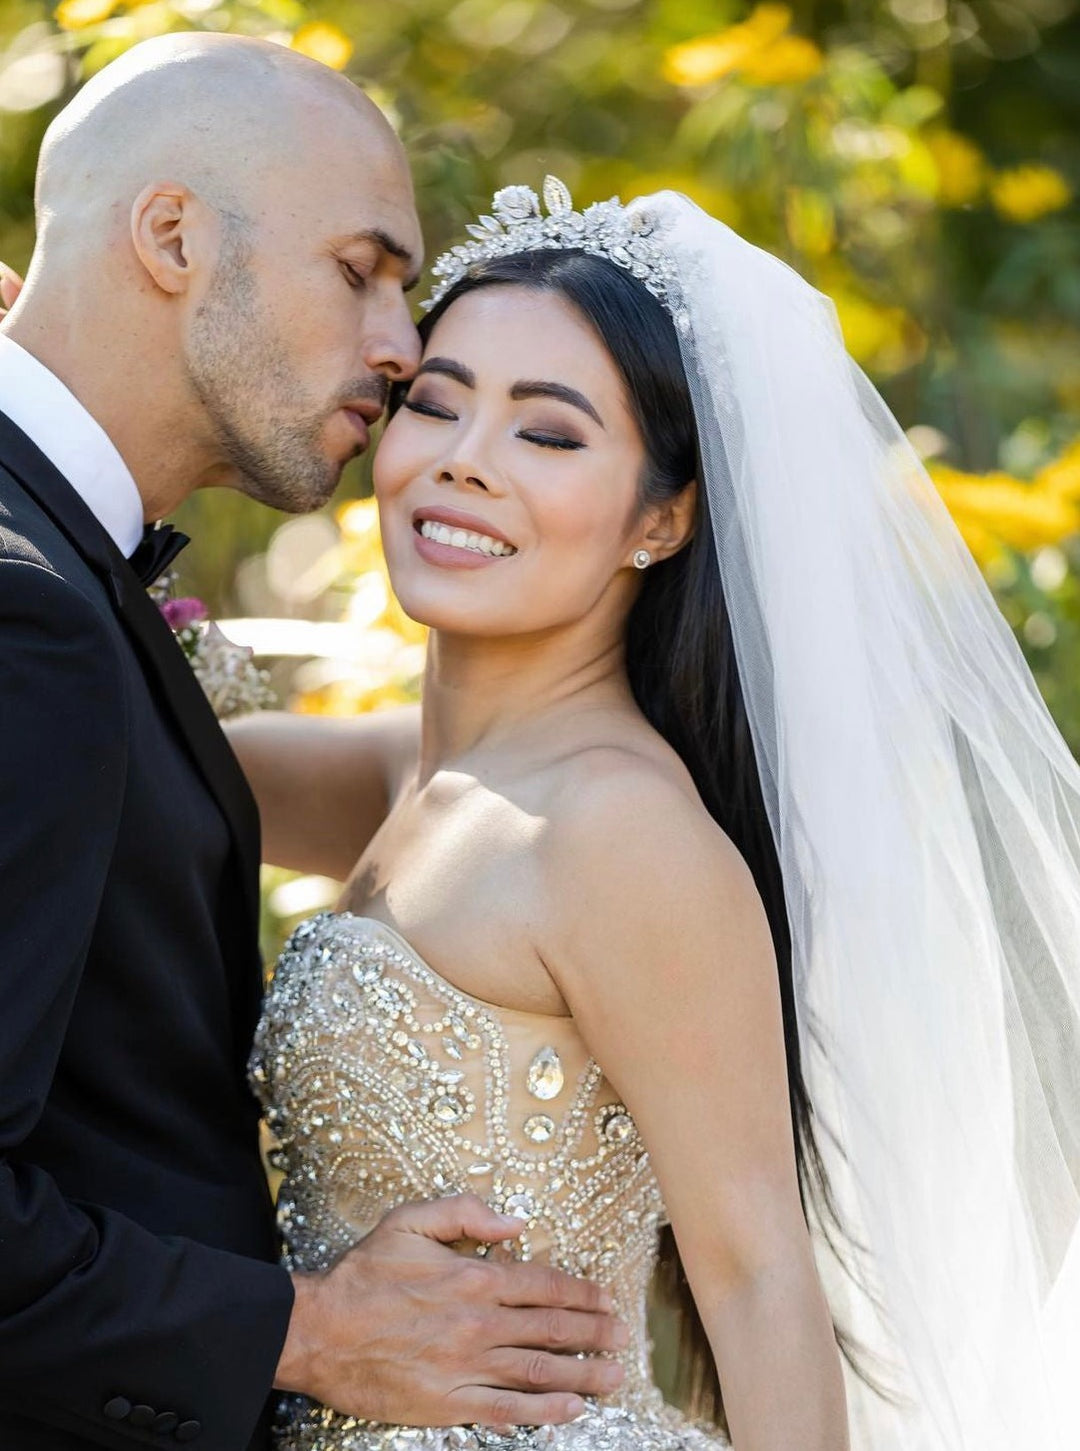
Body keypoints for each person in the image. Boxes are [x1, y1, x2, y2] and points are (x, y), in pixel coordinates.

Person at [231, 180, 1080, 1451]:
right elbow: (141, 750)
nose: (465, 454)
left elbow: (758, 1283)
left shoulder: (613, 830)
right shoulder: (413, 777)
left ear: (661, 518)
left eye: (551, 433)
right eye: (436, 400)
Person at [0, 43, 624, 1451]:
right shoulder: (25, 608)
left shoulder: (61, 571)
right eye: (362, 270)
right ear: (170, 236)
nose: (404, 347)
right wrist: (314, 1329)